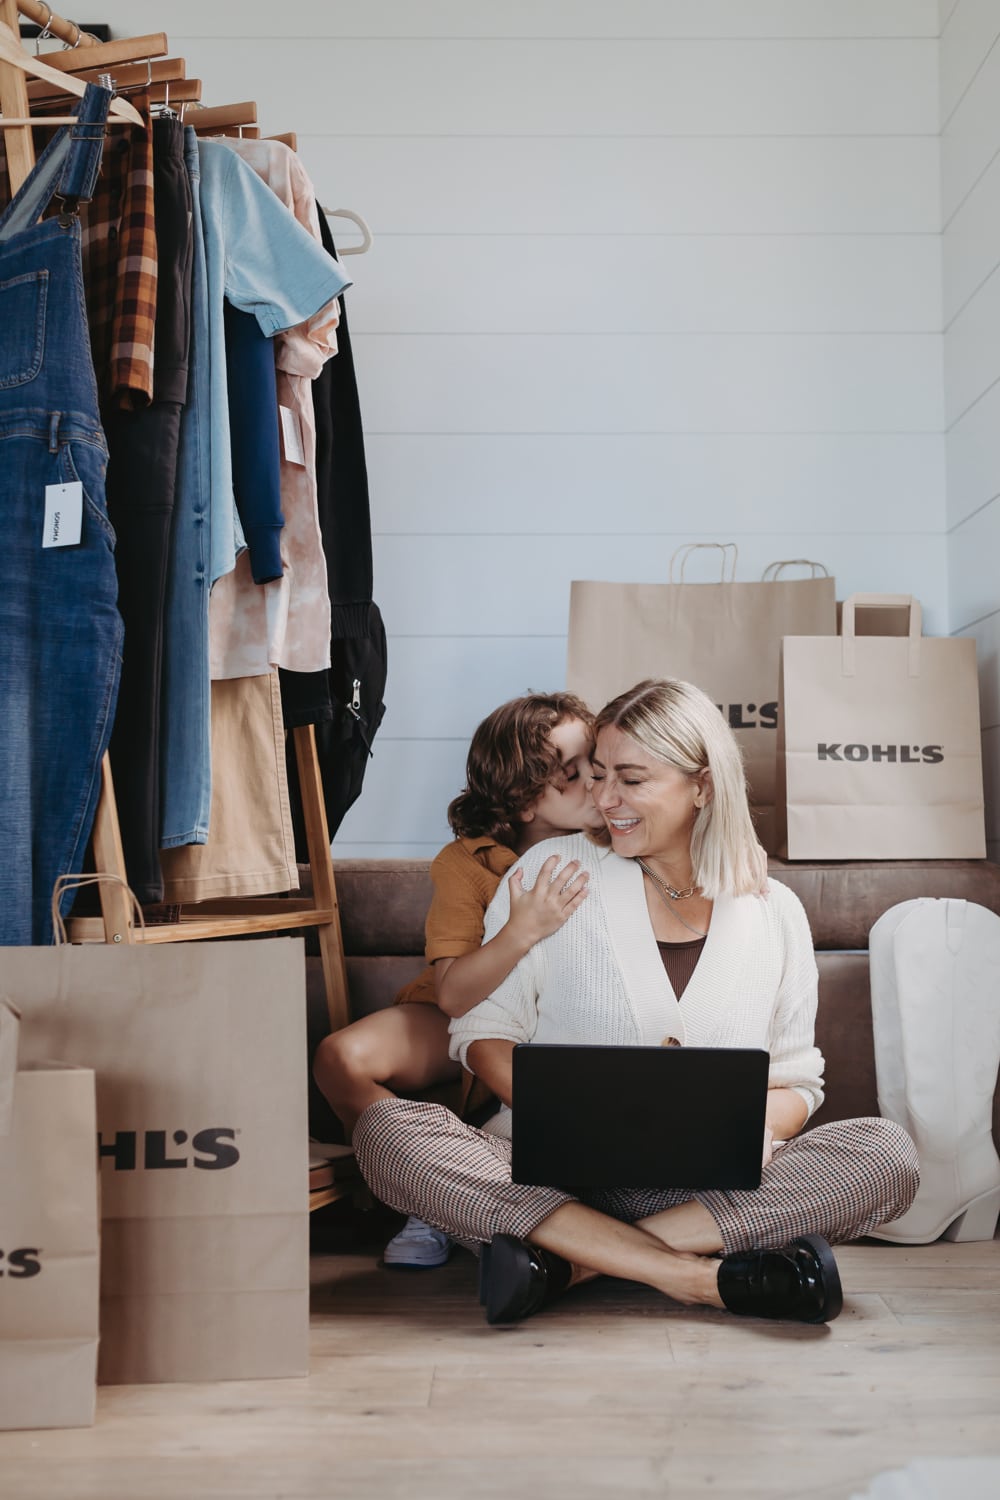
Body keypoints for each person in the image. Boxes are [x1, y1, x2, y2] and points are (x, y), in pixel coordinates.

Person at [352, 678, 920, 1324]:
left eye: (631, 779)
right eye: (597, 776)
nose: (605, 799)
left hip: (711, 1187)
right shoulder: (547, 877)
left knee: (887, 1154)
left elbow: (797, 1084)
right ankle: (704, 1279)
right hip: (550, 1178)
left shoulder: (775, 911)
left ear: (701, 786)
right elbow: (480, 1033)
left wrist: (739, 1130)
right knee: (388, 1131)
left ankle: (566, 1265)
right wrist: (563, 1117)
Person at [312, 690, 602, 1267]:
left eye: (599, 761)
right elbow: (452, 994)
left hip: (552, 1025)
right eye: (572, 774)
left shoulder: (617, 842)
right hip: (463, 1011)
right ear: (524, 803)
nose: (595, 779)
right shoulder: (467, 862)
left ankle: (470, 1187)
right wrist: (523, 929)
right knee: (339, 1056)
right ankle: (420, 1194)